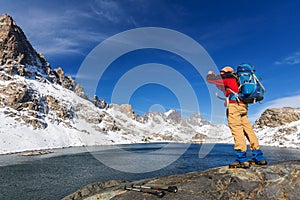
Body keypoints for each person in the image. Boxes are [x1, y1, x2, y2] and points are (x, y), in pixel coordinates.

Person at [206, 66, 267, 168]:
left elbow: (210, 80)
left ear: (227, 72)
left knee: (237, 130)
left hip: (234, 107)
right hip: (243, 106)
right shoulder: (237, 79)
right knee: (248, 130)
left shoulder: (227, 78)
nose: (220, 73)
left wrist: (210, 73)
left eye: (222, 72)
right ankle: (258, 157)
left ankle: (241, 159)